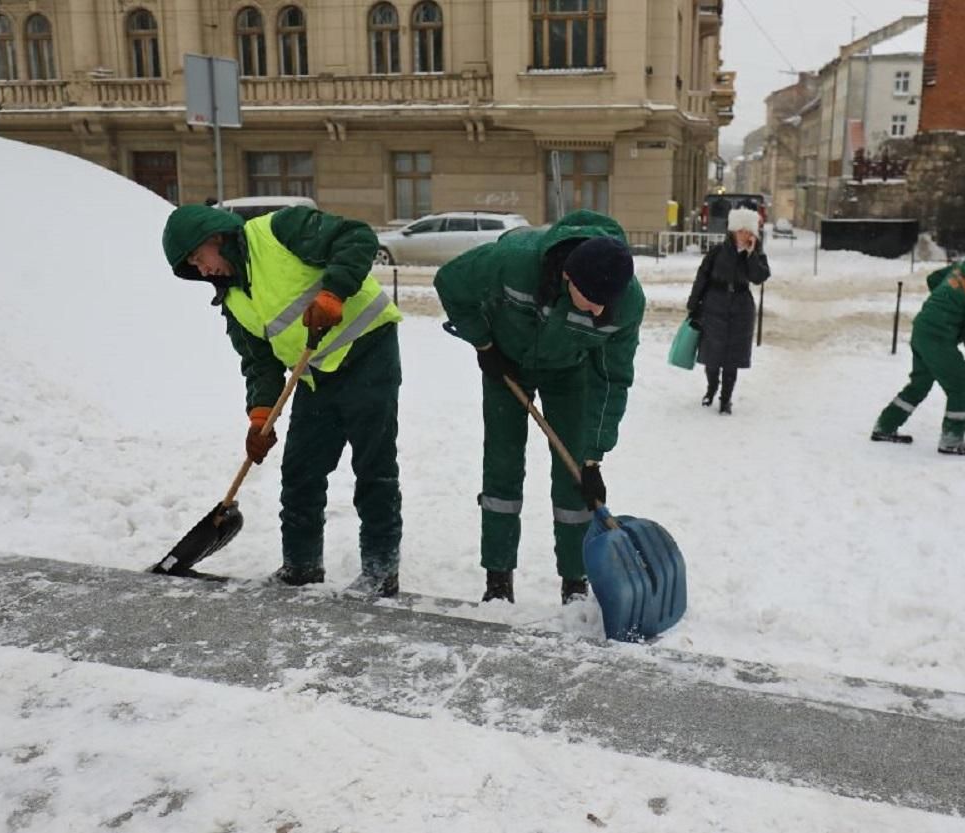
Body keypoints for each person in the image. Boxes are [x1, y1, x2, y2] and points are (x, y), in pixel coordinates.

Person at [161, 203, 404, 595]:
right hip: (314, 377)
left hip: (367, 354)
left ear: (216, 238)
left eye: (198, 257)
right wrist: (260, 418)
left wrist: (334, 292)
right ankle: (301, 567)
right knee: (300, 474)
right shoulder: (233, 297)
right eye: (192, 265)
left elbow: (356, 237)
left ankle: (380, 572)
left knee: (373, 468)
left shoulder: (278, 230)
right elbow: (260, 364)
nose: (202, 270)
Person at [434, 210, 645, 605]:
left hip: (570, 373)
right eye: (593, 300)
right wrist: (484, 344)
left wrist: (594, 455)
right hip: (506, 364)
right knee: (502, 466)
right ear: (568, 277)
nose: (600, 311)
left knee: (574, 475)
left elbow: (613, 378)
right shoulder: (513, 261)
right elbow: (450, 282)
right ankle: (498, 578)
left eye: (607, 302)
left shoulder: (625, 302)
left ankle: (575, 581)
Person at [872, 251, 965, 456]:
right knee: (961, 387)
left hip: (923, 328)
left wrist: (945, 305)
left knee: (920, 383)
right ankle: (952, 441)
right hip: (938, 338)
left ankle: (885, 427)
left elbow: (934, 278)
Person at [686, 206, 771, 414]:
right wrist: (693, 304)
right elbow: (702, 278)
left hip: (741, 309)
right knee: (712, 357)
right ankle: (711, 389)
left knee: (732, 359)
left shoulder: (756, 254)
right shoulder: (717, 252)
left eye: (749, 231)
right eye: (741, 230)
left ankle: (726, 399)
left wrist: (751, 255)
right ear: (732, 231)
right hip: (715, 306)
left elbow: (759, 277)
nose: (745, 235)